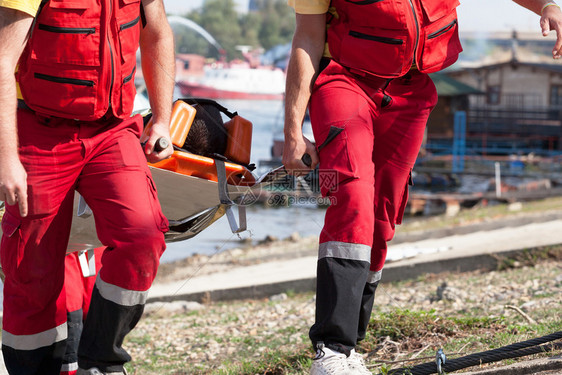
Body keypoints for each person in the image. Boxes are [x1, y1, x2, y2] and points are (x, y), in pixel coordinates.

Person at [282, 0, 562, 374]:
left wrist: (546, 5)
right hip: (345, 82)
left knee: (383, 214)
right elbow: (308, 36)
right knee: (353, 197)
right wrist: (292, 133)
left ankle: (350, 346)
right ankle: (332, 349)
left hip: (411, 93)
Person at [0, 0, 175, 372]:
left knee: (143, 235)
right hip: (38, 130)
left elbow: (157, 33)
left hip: (112, 130)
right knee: (31, 269)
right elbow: (1, 59)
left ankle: (101, 362)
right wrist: (6, 158)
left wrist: (162, 120)